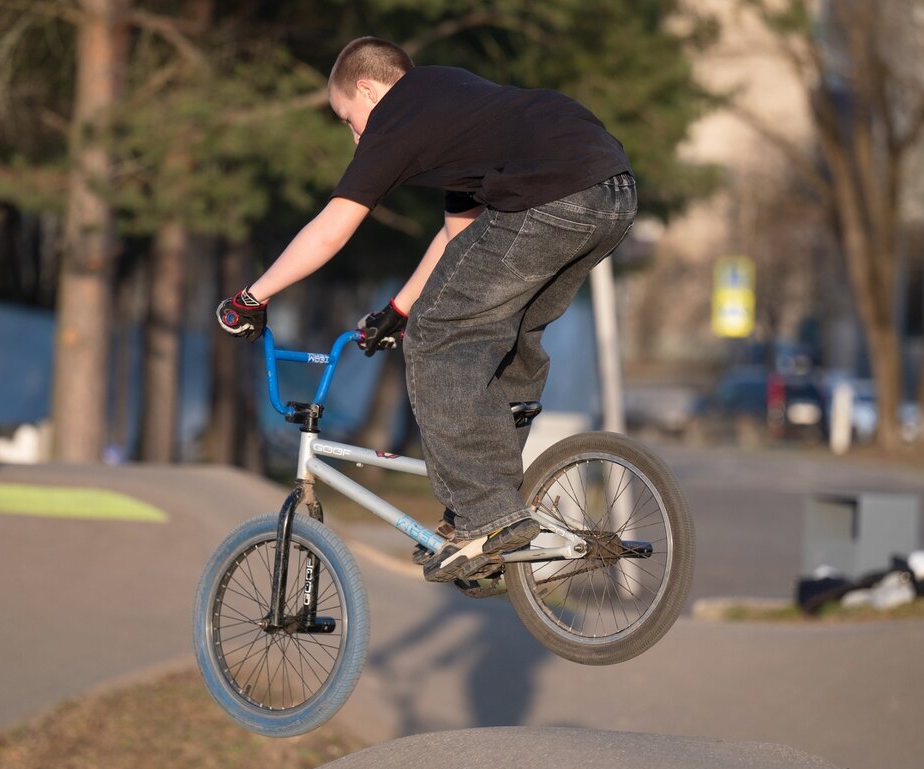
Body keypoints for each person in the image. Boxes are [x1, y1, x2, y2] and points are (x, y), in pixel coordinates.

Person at [216, 37, 637, 583]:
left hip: (551, 197)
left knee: (439, 337)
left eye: (348, 118)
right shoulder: (451, 103)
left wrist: (252, 297)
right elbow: (457, 241)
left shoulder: (395, 119)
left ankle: (489, 517)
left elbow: (332, 229)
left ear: (368, 89)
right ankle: (494, 519)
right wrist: (398, 308)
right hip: (611, 194)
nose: (355, 135)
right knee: (506, 341)